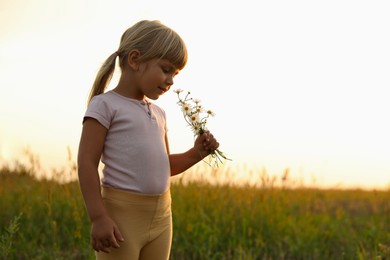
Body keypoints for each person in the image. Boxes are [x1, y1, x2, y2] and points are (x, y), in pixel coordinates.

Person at [77, 20, 220, 260]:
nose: (171, 80)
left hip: (162, 217)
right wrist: (99, 217)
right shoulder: (105, 105)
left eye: (175, 74)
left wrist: (197, 153)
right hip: (121, 219)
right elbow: (86, 163)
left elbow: (164, 167)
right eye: (166, 70)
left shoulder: (159, 113)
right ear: (135, 60)